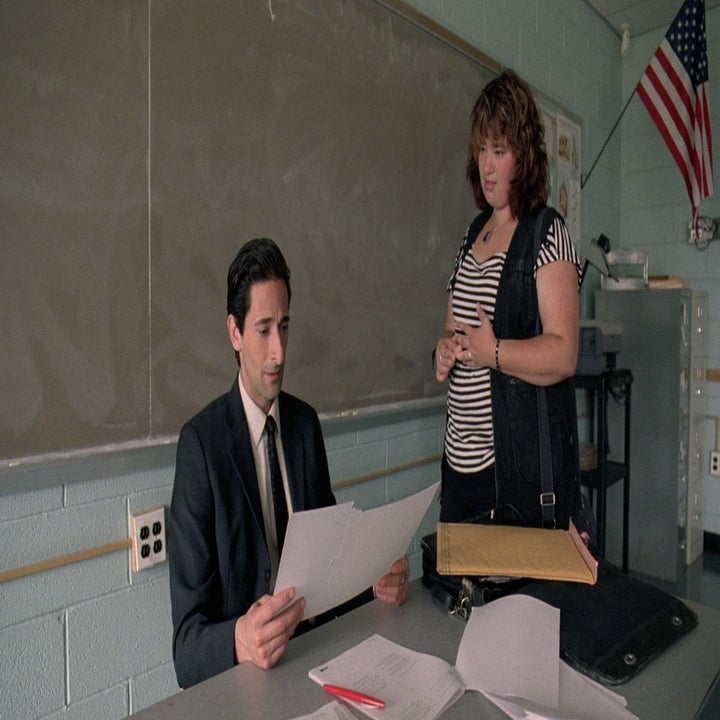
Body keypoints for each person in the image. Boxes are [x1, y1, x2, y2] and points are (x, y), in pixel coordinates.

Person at [170, 238, 409, 689]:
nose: (279, 352)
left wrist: (373, 579)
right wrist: (241, 639)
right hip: (245, 688)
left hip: (318, 665)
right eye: (263, 330)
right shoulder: (200, 447)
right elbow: (186, 650)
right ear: (234, 333)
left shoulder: (304, 426)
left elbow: (331, 568)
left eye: (284, 326)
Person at [434, 69, 584, 531]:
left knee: (509, 598)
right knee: (459, 596)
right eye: (482, 149)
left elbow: (563, 353)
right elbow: (453, 329)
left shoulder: (546, 231)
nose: (487, 164)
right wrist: (444, 350)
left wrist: (492, 352)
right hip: (458, 465)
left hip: (510, 472)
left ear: (524, 156)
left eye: (499, 151)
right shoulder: (471, 233)